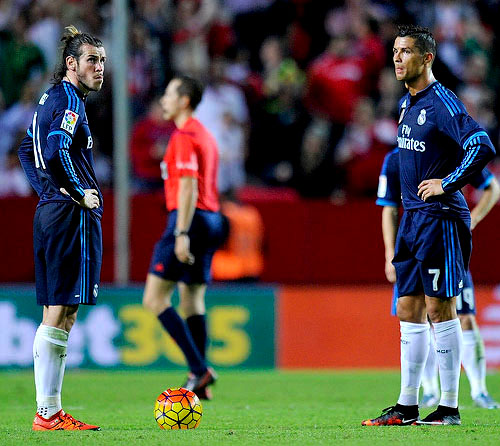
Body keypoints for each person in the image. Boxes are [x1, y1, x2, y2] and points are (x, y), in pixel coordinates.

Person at [362, 24, 496, 426]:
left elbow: (482, 145)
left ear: (427, 58)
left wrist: (447, 183)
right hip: (411, 220)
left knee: (441, 309)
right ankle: (406, 405)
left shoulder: (442, 102)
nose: (397, 58)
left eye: (406, 52)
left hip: (440, 220)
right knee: (408, 308)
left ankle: (450, 409)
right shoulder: (408, 103)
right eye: (395, 51)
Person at [17, 25, 105, 431]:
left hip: (53, 209)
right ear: (71, 64)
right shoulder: (68, 99)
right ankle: (47, 413)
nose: (99, 68)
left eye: (102, 61)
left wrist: (47, 191)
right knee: (58, 311)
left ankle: (50, 411)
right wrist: (73, 191)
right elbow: (52, 150)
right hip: (68, 214)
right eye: (92, 60)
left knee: (64, 310)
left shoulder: (52, 99)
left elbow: (26, 147)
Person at [376, 147, 500, 409]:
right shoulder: (395, 160)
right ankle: (430, 391)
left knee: (462, 316)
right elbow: (389, 208)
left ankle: (478, 391)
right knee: (418, 316)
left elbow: (492, 187)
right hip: (413, 245)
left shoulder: (449, 153)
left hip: (447, 242)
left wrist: (471, 220)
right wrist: (390, 252)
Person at [142, 75, 227, 400]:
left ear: (184, 100)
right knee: (192, 298)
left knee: (154, 298)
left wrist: (180, 233)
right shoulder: (205, 135)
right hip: (212, 218)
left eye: (168, 94)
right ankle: (200, 380)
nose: (163, 100)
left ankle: (198, 368)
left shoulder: (183, 136)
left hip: (188, 218)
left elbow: (188, 186)